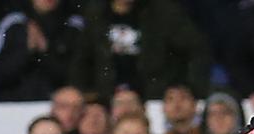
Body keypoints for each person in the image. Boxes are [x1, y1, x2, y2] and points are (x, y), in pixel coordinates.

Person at [69, 0, 211, 100]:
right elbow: (81, 58)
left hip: (154, 99)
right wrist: (85, 91)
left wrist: (191, 88)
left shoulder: (163, 11)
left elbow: (197, 48)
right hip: (107, 99)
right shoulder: (95, 13)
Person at [0, 0, 83, 101]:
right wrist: (26, 51)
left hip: (58, 105)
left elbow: (78, 74)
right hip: (12, 104)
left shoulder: (74, 25)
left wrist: (45, 50)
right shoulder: (12, 22)